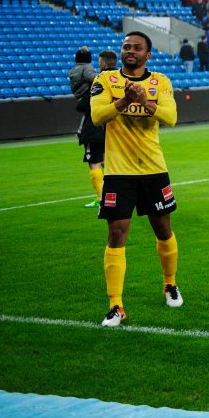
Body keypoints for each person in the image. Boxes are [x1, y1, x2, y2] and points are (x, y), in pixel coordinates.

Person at [89, 31, 181, 327]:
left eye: (137, 48)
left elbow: (171, 117)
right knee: (116, 233)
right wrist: (123, 101)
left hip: (153, 169)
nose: (130, 51)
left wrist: (145, 102)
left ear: (147, 55)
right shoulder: (105, 80)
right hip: (118, 172)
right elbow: (97, 116)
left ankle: (169, 284)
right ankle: (115, 305)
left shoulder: (160, 82)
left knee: (163, 229)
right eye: (126, 46)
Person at [70, 47, 116, 208]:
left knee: (94, 163)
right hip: (112, 128)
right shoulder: (119, 78)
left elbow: (83, 105)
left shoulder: (98, 82)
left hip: (94, 127)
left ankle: (101, 198)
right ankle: (117, 193)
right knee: (107, 161)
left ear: (102, 64)